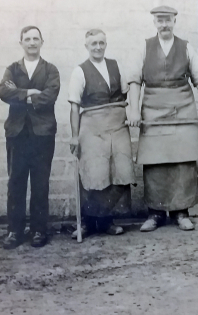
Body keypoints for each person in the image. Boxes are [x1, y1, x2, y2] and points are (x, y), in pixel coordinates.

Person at [127, 5, 198, 232]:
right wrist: (134, 111)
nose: (164, 24)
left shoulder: (186, 47)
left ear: (175, 20)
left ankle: (181, 212)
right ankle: (156, 213)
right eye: (160, 20)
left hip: (183, 108)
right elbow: (134, 81)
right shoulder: (144, 47)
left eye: (167, 20)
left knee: (183, 162)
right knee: (155, 162)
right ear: (154, 22)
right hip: (153, 109)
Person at [67, 29, 136, 238]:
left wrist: (133, 110)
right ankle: (88, 222)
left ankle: (106, 220)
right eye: (93, 44)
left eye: (101, 43)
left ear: (106, 44)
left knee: (120, 173)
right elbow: (74, 107)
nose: (98, 47)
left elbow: (128, 91)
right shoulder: (79, 71)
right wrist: (74, 135)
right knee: (94, 174)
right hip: (92, 127)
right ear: (86, 46)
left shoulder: (116, 66)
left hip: (116, 124)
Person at [0, 26, 60, 249]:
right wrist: (29, 93)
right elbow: (4, 91)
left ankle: (38, 230)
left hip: (42, 134)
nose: (32, 42)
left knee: (40, 184)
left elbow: (50, 96)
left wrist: (23, 97)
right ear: (21, 43)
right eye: (27, 39)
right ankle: (14, 231)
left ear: (42, 42)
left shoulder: (51, 70)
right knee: (15, 182)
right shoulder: (12, 69)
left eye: (36, 39)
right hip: (17, 133)